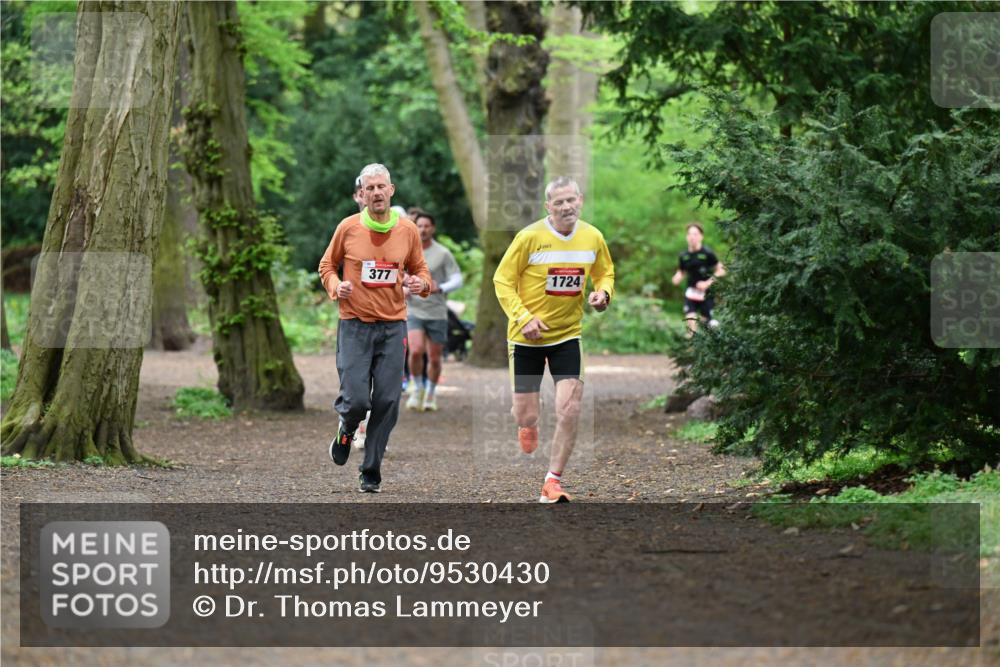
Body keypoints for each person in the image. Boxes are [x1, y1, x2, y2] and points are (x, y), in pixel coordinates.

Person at [493, 176, 615, 503]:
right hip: (525, 337)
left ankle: (552, 480)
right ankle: (528, 420)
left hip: (567, 336)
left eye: (571, 200)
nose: (566, 207)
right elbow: (502, 280)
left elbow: (604, 272)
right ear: (548, 206)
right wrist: (523, 317)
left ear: (580, 201)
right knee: (525, 414)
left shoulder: (592, 237)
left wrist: (603, 293)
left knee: (571, 408)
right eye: (558, 202)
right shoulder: (529, 237)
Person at [318, 163, 432, 493]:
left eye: (382, 186)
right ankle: (347, 427)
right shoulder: (348, 228)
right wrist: (336, 285)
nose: (377, 192)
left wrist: (418, 282)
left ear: (391, 190)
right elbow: (327, 265)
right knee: (355, 399)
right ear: (362, 195)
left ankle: (371, 467)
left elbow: (422, 273)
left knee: (387, 399)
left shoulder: (408, 230)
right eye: (370, 188)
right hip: (354, 325)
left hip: (393, 326)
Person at [404, 207, 463, 412]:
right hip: (414, 310)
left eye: (427, 226)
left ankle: (430, 392)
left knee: (435, 357)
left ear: (433, 229)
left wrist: (442, 287)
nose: (423, 230)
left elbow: (457, 278)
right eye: (419, 226)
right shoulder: (407, 250)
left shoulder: (443, 253)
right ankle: (417, 388)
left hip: (437, 312)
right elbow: (396, 273)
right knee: (416, 350)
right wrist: (404, 288)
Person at [671, 223, 726, 335]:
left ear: (701, 236)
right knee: (690, 318)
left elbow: (721, 270)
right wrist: (677, 277)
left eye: (695, 234)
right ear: (687, 237)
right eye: (690, 234)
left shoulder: (707, 253)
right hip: (691, 292)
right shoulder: (684, 256)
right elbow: (682, 271)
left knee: (707, 323)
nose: (692, 237)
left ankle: (710, 332)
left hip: (706, 294)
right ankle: (692, 343)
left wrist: (707, 283)